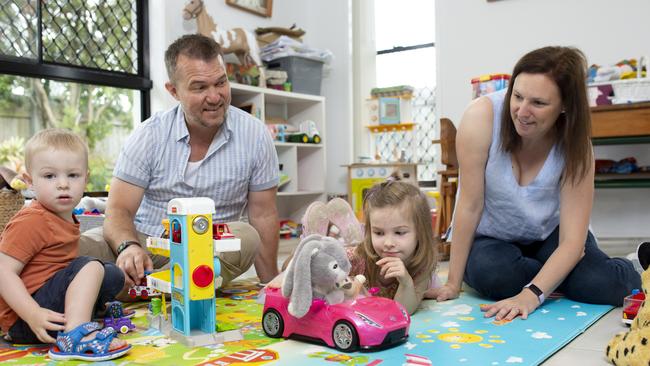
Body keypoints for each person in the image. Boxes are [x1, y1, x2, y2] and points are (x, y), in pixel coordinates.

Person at [429, 46, 641, 321]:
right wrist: (452, 283)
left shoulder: (576, 147)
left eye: (538, 103)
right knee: (493, 275)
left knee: (606, 285)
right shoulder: (481, 117)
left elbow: (572, 241)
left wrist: (531, 295)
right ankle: (557, 275)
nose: (522, 111)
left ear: (564, 105)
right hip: (494, 237)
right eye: (517, 96)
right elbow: (469, 205)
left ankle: (632, 262)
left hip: (552, 236)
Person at [79, 34, 280, 287]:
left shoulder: (255, 135)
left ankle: (146, 287)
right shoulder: (149, 134)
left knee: (247, 236)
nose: (215, 96)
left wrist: (272, 285)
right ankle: (161, 284)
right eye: (200, 87)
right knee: (76, 247)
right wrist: (128, 248)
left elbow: (263, 215)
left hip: (209, 253)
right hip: (148, 244)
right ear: (173, 91)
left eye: (221, 83)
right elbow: (119, 210)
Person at [0, 129, 130, 361]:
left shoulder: (65, 216)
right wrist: (32, 314)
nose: (62, 184)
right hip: (26, 319)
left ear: (85, 179)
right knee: (88, 265)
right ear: (30, 182)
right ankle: (76, 335)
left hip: (47, 303)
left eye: (72, 175)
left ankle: (84, 314)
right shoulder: (32, 220)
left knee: (111, 273)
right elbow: (3, 272)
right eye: (50, 176)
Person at [273, 177, 438, 314]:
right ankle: (313, 237)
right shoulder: (358, 257)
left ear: (420, 232)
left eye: (400, 233)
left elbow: (403, 310)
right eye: (379, 233)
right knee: (314, 261)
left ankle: (351, 229)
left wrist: (406, 282)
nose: (388, 243)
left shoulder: (422, 264)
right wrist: (304, 258)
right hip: (342, 254)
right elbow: (296, 271)